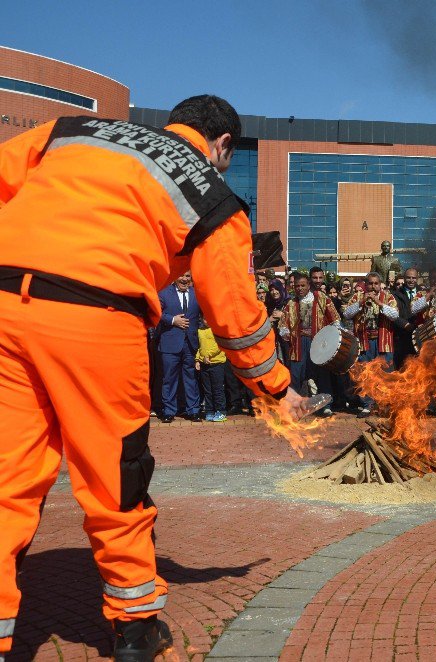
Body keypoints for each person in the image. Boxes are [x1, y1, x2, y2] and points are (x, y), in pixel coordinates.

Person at [0, 95, 303, 661]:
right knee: (117, 478)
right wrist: (276, 388)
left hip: (4, 302)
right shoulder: (213, 196)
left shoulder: (74, 129)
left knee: (4, 479)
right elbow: (234, 314)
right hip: (97, 317)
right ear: (223, 146)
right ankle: (135, 626)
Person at [278, 272, 340, 416]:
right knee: (295, 377)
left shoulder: (321, 298)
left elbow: (335, 319)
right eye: (296, 286)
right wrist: (285, 332)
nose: (299, 288)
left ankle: (326, 406)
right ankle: (292, 408)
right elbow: (282, 326)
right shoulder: (291, 303)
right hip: (298, 345)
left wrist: (333, 337)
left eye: (302, 285)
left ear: (308, 286)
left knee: (322, 375)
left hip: (318, 344)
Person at [343, 272, 399, 416]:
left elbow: (395, 315)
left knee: (384, 375)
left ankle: (384, 405)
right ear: (366, 284)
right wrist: (362, 303)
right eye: (370, 283)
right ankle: (367, 404)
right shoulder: (357, 297)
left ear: (380, 284)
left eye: (376, 283)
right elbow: (347, 314)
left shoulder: (388, 297)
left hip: (383, 342)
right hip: (364, 342)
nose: (373, 287)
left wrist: (379, 303)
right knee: (364, 374)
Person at [156, 272, 202, 422]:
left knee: (191, 378)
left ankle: (193, 410)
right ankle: (169, 411)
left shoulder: (198, 294)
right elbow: (156, 311)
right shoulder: (163, 293)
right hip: (170, 343)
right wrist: (172, 320)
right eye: (181, 276)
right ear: (174, 277)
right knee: (169, 378)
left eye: (188, 276)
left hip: (191, 343)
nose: (184, 279)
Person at [195, 317, 228, 422]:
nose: (207, 320)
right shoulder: (200, 331)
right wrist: (197, 359)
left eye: (208, 317)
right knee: (207, 390)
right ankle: (209, 411)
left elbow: (219, 345)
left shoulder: (217, 330)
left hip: (217, 363)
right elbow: (200, 347)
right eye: (204, 318)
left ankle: (221, 411)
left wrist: (208, 355)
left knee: (217, 389)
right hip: (205, 364)